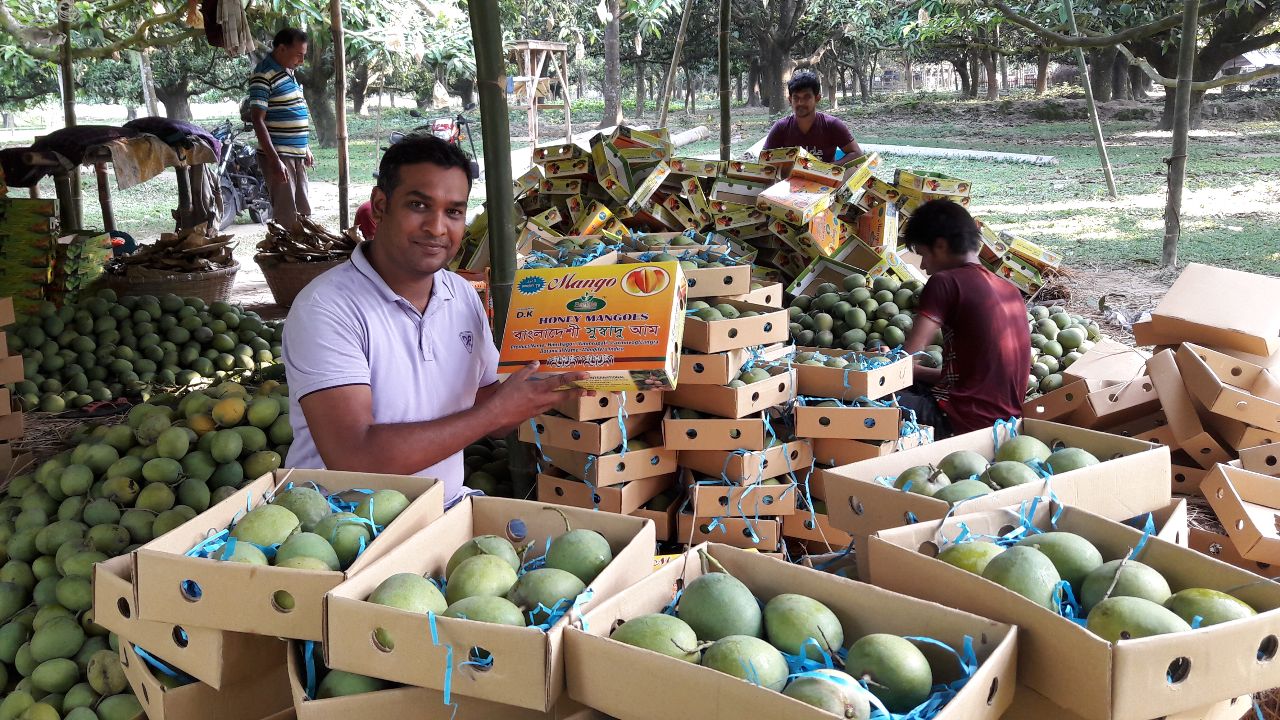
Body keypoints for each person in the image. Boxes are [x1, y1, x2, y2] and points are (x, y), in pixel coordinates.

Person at [282, 135, 587, 507]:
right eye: (418, 205)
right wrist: (494, 412)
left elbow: (493, 407)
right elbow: (354, 457)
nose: (438, 228)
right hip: (340, 525)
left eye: (454, 212)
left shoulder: (459, 294)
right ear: (380, 206)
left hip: (440, 512)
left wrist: (569, 374)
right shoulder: (327, 308)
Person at [897, 199, 1031, 438]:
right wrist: (916, 372)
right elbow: (977, 380)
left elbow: (904, 362)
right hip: (1004, 427)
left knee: (852, 398)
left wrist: (886, 364)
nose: (925, 267)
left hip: (959, 422)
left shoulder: (946, 282)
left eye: (923, 255)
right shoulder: (1010, 291)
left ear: (940, 245)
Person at [248, 28, 313, 230]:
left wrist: (305, 147)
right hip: (280, 156)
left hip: (296, 154)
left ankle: (303, 254)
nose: (301, 61)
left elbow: (292, 111)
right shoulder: (263, 74)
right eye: (298, 55)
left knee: (303, 210)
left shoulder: (288, 72)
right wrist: (275, 160)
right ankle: (289, 257)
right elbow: (258, 120)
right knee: (287, 215)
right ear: (282, 49)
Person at [762, 71, 864, 166]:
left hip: (825, 181)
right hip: (791, 182)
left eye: (806, 97)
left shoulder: (832, 124)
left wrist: (826, 168)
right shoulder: (781, 127)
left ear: (817, 98)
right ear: (790, 100)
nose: (800, 103)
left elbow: (857, 153)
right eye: (796, 98)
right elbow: (763, 158)